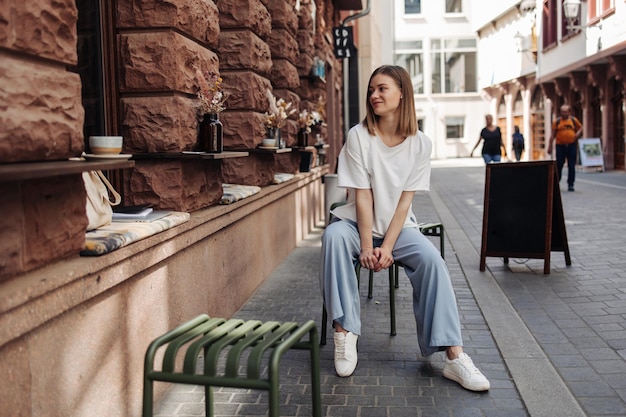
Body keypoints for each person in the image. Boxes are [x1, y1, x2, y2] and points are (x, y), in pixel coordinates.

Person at [320, 65, 490, 392]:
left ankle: (454, 356)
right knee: (334, 237)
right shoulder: (358, 136)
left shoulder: (420, 144)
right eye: (371, 89)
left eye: (382, 88)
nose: (374, 95)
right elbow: (363, 197)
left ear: (402, 93)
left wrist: (388, 246)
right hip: (357, 224)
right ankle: (345, 331)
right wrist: (369, 247)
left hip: (400, 229)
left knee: (433, 261)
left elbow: (403, 204)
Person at [547, 104, 583, 191]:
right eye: (562, 112)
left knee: (571, 165)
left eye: (565, 112)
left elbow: (581, 128)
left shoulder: (573, 120)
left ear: (569, 112)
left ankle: (571, 184)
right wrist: (550, 146)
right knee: (559, 165)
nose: (563, 114)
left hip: (571, 145)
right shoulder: (557, 122)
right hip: (560, 146)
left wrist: (577, 134)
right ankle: (556, 183)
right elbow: (552, 134)